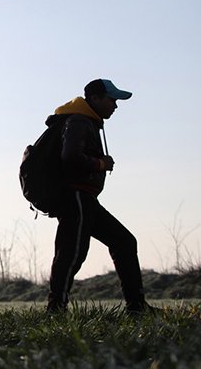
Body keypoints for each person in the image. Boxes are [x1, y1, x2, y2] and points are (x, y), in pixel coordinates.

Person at [45, 79, 153, 314]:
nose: (115, 105)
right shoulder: (79, 121)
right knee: (72, 253)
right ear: (95, 98)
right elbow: (70, 156)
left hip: (85, 198)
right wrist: (100, 163)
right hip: (75, 196)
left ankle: (137, 307)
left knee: (123, 241)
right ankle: (56, 309)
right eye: (112, 99)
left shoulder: (85, 121)